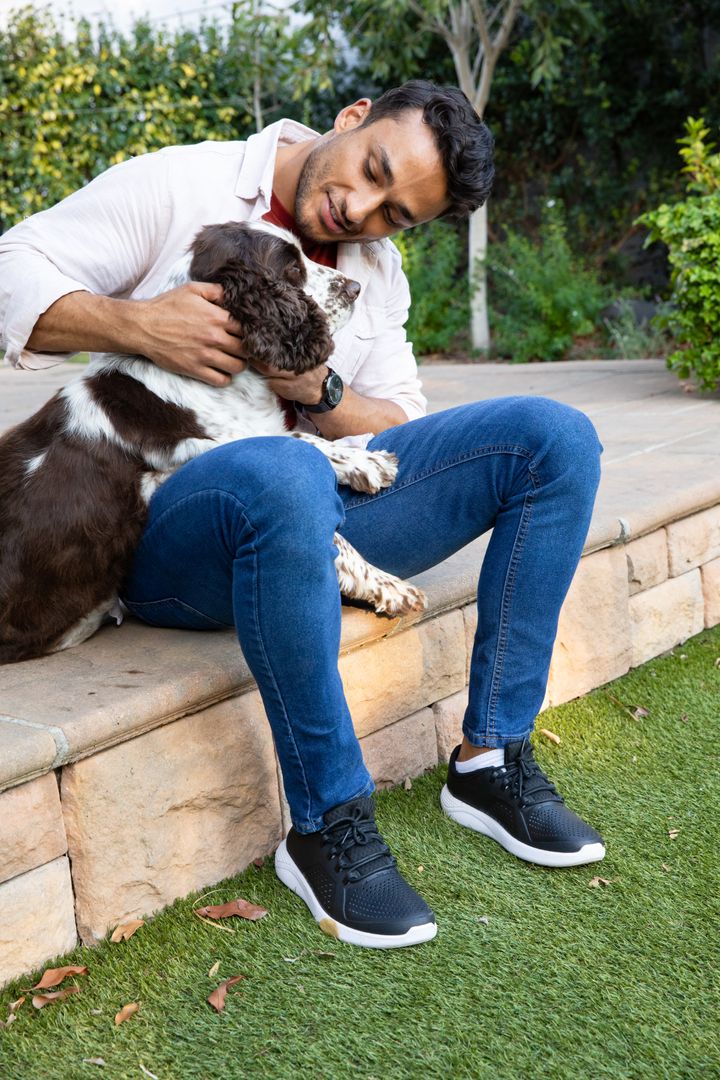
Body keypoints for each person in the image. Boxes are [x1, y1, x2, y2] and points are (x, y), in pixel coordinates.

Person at [0, 80, 605, 950]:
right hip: (172, 539)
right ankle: (327, 823)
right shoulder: (180, 186)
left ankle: (491, 758)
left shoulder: (374, 273)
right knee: (282, 471)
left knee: (555, 438)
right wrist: (138, 325)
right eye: (372, 171)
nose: (362, 210)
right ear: (353, 117)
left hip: (316, 503)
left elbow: (400, 427)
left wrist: (316, 388)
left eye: (395, 214)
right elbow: (10, 271)